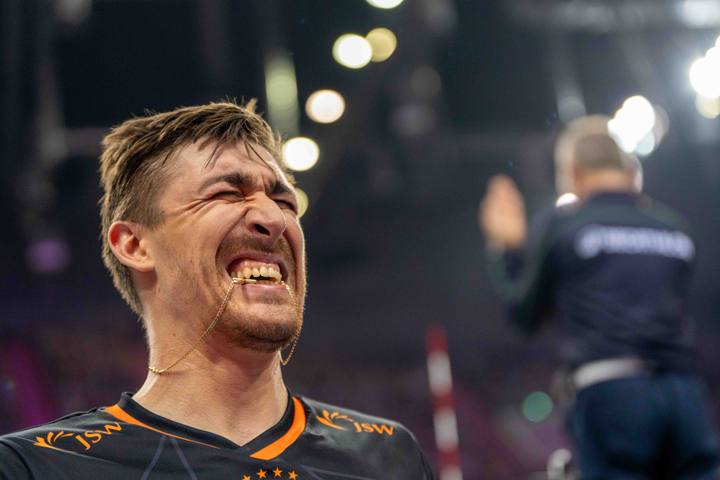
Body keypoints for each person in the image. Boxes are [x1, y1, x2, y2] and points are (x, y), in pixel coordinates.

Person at [0, 101, 435, 479]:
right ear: (134, 245)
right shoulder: (38, 466)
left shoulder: (388, 455)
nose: (275, 218)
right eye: (227, 193)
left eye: (284, 201)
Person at [480, 115, 720, 479]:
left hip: (612, 394)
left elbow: (524, 316)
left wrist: (507, 250)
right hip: (684, 392)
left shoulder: (563, 226)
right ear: (631, 171)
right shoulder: (676, 230)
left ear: (572, 174)